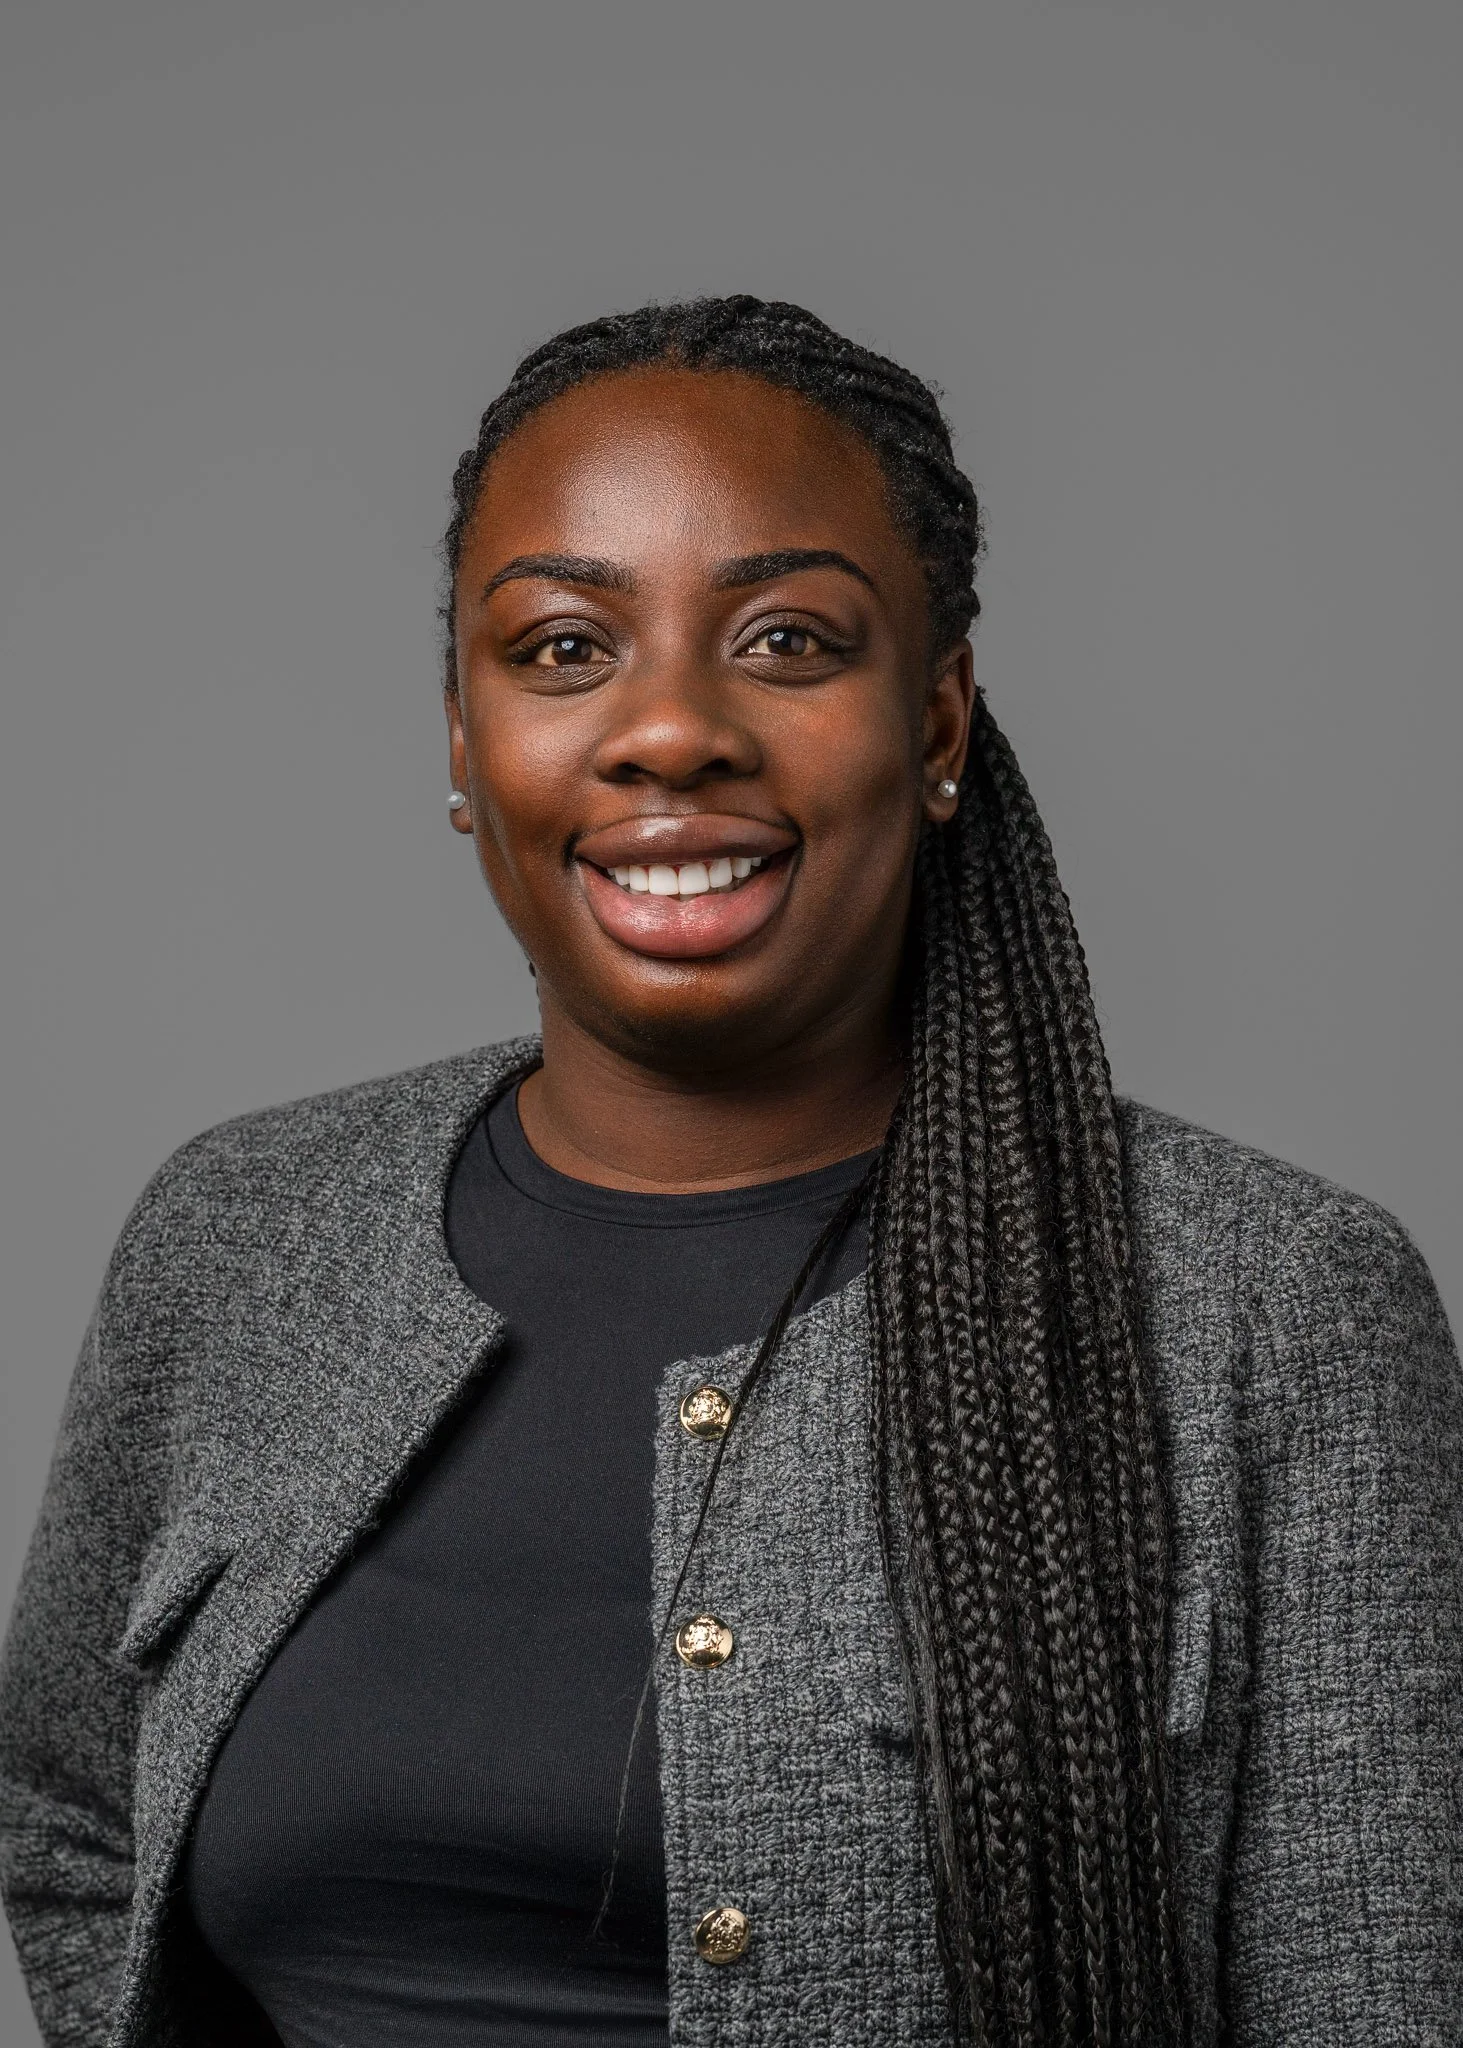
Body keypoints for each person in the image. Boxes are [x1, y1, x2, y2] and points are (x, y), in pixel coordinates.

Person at [1, 296, 1458, 2048]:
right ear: (464, 742)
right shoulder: (240, 1237)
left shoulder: (1262, 1305)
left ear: (935, 723)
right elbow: (74, 1820)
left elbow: (1376, 1993)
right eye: (559, 649)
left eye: (784, 640)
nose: (668, 729)